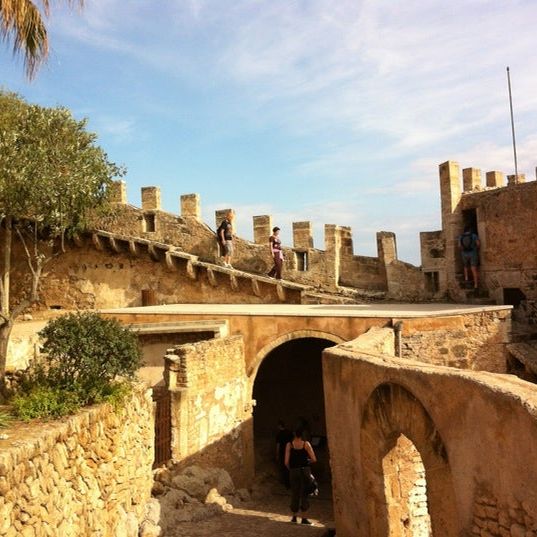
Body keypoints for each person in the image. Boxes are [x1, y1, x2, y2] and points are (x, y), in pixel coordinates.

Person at [284, 426, 317, 525]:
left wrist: (292, 468)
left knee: (295, 493)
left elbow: (286, 462)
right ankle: (304, 519)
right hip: (305, 470)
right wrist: (306, 462)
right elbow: (314, 459)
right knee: (304, 493)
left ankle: (294, 517)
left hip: (294, 471)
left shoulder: (289, 445)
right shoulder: (306, 444)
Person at [459, 225, 480, 289]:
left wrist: (464, 250)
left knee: (465, 267)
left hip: (464, 254)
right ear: (470, 230)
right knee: (473, 269)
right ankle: (476, 285)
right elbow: (478, 244)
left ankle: (466, 279)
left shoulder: (461, 237)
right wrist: (475, 249)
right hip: (473, 253)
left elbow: (459, 246)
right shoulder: (474, 235)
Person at [275, 420, 293, 488]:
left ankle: (286, 482)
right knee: (289, 466)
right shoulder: (289, 433)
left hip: (282, 452)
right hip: (290, 451)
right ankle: (291, 481)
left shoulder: (279, 434)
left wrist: (276, 454)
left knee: (283, 467)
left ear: (279, 426)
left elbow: (278, 445)